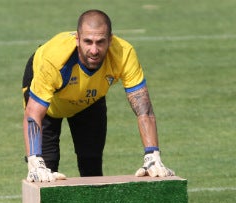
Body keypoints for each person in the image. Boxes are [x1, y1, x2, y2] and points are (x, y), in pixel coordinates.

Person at [22, 9, 175, 182]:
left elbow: (144, 110)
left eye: (100, 42)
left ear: (110, 40)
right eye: (88, 42)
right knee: (45, 170)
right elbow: (33, 114)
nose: (94, 50)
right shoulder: (54, 60)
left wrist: (152, 155)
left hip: (90, 99)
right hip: (50, 107)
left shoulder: (124, 54)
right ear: (77, 40)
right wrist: (34, 159)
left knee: (92, 165)